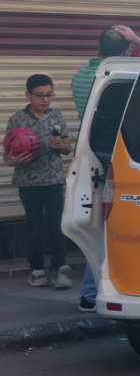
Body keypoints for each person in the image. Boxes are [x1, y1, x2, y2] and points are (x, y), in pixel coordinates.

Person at [70, 26, 140, 312]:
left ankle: (90, 292)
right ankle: (108, 288)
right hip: (121, 161)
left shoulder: (81, 77)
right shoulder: (128, 75)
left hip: (91, 156)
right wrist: (137, 39)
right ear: (126, 52)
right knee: (116, 228)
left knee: (97, 225)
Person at [4, 75, 74, 289]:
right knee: (34, 226)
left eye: (49, 95)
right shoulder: (18, 119)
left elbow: (67, 148)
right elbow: (7, 157)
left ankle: (59, 269)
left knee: (55, 225)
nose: (45, 100)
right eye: (40, 95)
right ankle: (36, 270)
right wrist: (13, 160)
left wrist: (59, 145)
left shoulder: (58, 117)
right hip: (28, 180)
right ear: (28, 95)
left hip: (53, 179)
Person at [72, 26, 140, 119]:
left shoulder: (79, 75)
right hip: (115, 133)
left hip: (87, 133)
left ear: (99, 47)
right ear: (126, 53)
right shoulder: (120, 76)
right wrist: (135, 38)